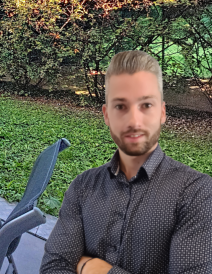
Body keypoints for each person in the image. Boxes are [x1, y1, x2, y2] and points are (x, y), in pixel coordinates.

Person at [40, 50, 212, 274]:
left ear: (162, 113)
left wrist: (95, 268)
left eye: (146, 105)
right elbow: (53, 267)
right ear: (106, 115)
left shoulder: (196, 193)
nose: (134, 121)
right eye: (120, 106)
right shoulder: (83, 186)